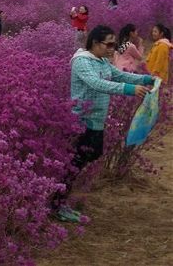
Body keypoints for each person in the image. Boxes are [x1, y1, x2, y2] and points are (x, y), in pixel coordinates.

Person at [56, 25, 155, 222]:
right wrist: (129, 89)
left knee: (90, 156)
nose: (112, 48)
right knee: (74, 164)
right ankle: (57, 204)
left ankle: (60, 200)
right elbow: (96, 83)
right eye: (109, 44)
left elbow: (120, 75)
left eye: (114, 44)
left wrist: (146, 78)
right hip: (81, 121)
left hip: (96, 119)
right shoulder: (82, 62)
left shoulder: (101, 61)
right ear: (95, 43)